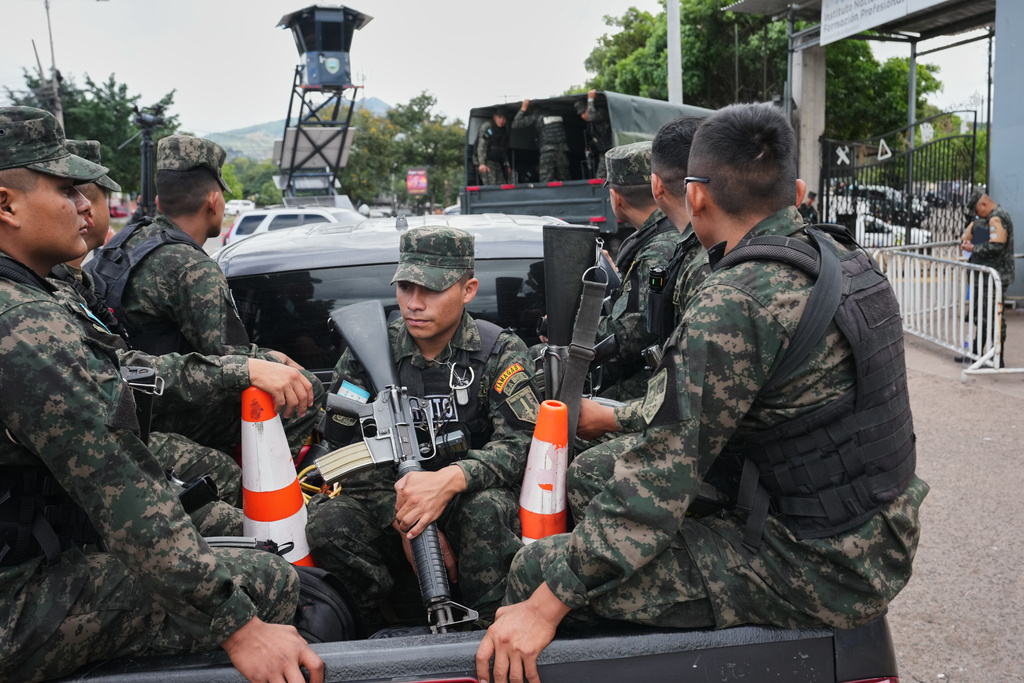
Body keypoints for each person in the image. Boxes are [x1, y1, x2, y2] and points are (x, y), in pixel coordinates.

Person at [475, 103, 928, 683]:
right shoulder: (846, 259)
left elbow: (653, 488)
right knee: (594, 486)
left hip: (820, 566)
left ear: (694, 197)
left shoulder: (735, 302)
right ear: (794, 189)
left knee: (537, 568)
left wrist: (543, 606)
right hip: (873, 527)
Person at [0, 106, 323, 683]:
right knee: (266, 582)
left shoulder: (37, 292)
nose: (86, 205)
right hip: (13, 604)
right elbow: (119, 482)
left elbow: (124, 372)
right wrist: (239, 627)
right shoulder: (24, 323)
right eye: (67, 189)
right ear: (6, 204)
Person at [306, 226, 542, 630]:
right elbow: (345, 454)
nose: (414, 304)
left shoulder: (499, 350)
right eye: (406, 288)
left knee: (485, 512)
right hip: (389, 503)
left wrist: (453, 478)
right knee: (329, 523)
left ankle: (490, 627)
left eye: (431, 290)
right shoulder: (368, 348)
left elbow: (522, 444)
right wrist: (409, 518)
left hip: (465, 499)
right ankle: (366, 632)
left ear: (469, 290)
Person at [86, 134, 323, 455]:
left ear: (158, 204)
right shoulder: (191, 267)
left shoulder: (128, 240)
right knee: (307, 390)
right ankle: (257, 490)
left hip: (127, 394)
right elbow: (235, 359)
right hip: (162, 409)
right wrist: (276, 360)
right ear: (214, 202)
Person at [590, 139, 690, 401]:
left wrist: (570, 330)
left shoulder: (656, 249)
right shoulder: (673, 233)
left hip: (654, 388)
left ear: (616, 198)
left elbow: (627, 337)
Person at [959, 186, 1014, 367]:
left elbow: (997, 246)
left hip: (997, 275)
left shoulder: (997, 217)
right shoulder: (991, 218)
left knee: (994, 317)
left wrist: (972, 248)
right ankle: (979, 354)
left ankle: (997, 357)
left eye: (977, 210)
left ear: (983, 203)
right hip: (989, 276)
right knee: (983, 316)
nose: (977, 214)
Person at [512, 99, 569, 182]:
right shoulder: (556, 114)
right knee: (565, 179)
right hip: (562, 151)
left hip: (548, 151)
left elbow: (515, 124)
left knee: (546, 181)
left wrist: (523, 108)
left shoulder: (536, 116)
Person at [576, 90, 613, 179]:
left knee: (601, 178)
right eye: (580, 114)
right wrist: (591, 146)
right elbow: (599, 137)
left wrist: (590, 99)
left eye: (584, 112)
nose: (583, 116)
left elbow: (592, 116)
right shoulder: (591, 125)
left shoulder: (601, 113)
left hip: (612, 151)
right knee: (601, 178)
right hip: (604, 152)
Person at [476, 109, 510, 186]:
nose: (502, 121)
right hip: (486, 160)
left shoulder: (503, 130)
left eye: (504, 119)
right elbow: (481, 145)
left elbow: (504, 150)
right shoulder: (488, 127)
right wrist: (482, 163)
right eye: (500, 117)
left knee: (502, 184)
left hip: (496, 161)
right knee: (491, 185)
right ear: (495, 117)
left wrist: (507, 165)